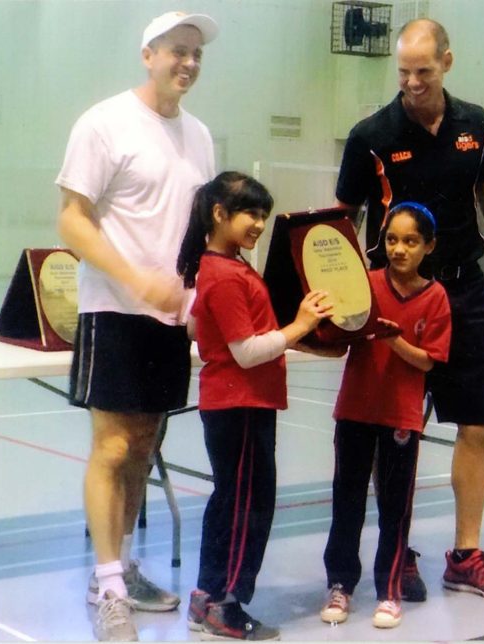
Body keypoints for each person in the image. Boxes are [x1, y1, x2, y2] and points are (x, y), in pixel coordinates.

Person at [334, 18, 484, 604]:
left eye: (423, 71)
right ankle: (396, 549)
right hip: (399, 299)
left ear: (448, 63)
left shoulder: (475, 124)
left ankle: (465, 555)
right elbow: (339, 223)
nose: (411, 83)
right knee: (394, 431)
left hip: (465, 295)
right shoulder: (371, 135)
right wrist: (350, 296)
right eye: (403, 72)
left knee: (477, 424)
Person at [55, 10, 219, 642]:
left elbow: (198, 229)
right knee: (114, 447)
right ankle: (110, 587)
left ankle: (117, 570)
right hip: (113, 312)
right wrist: (135, 278)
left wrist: (198, 295)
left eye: (197, 54)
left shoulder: (199, 136)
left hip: (171, 319)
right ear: (148, 54)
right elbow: (72, 220)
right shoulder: (104, 123)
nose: (189, 63)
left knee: (145, 447)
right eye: (178, 51)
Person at [177, 172, 333, 641]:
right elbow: (245, 352)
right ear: (219, 214)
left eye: (264, 215)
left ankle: (207, 597)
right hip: (239, 405)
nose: (259, 224)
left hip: (239, 404)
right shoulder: (224, 273)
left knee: (230, 500)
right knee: (248, 505)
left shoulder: (226, 266)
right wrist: (301, 326)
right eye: (250, 213)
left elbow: (196, 330)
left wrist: (299, 335)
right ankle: (226, 604)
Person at [319, 202, 451, 629]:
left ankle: (390, 589)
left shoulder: (435, 298)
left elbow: (428, 362)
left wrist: (393, 340)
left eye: (411, 241)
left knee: (395, 508)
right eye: (392, 240)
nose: (399, 249)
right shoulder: (366, 285)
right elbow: (340, 334)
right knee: (347, 502)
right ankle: (340, 584)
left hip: (401, 418)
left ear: (428, 246)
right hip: (355, 411)